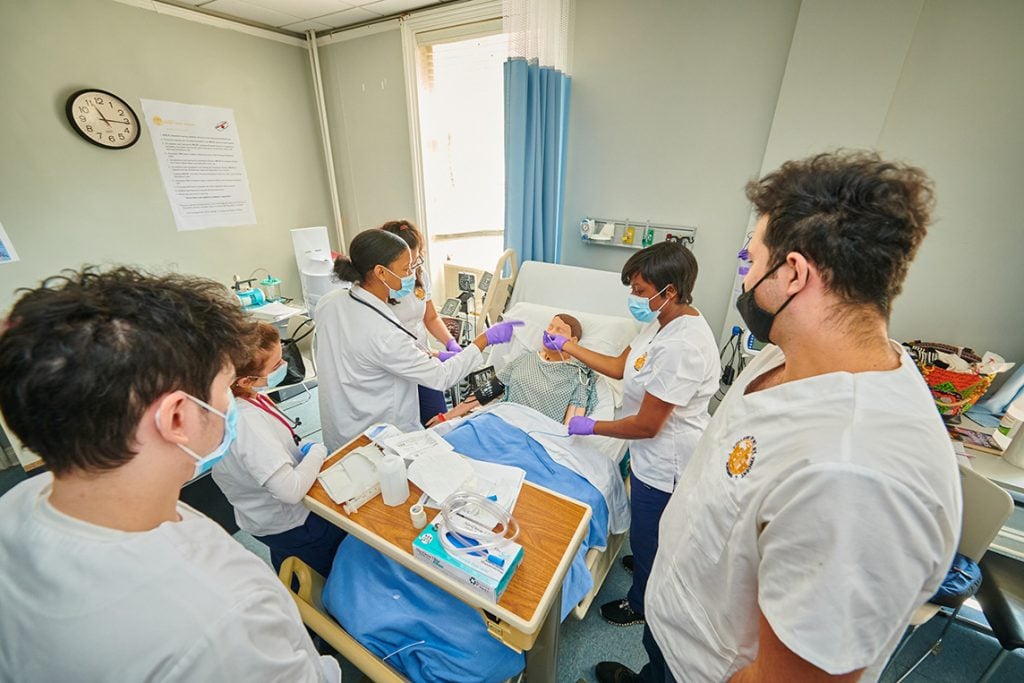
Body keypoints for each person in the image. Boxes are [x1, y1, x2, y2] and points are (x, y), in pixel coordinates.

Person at [597, 151, 962, 683]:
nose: (743, 279)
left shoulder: (853, 475)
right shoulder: (782, 353)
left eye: (749, 261)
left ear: (792, 273)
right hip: (676, 630)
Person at [0, 267, 339, 682]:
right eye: (226, 387)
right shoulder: (226, 620)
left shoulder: (19, 503)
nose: (235, 403)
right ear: (177, 416)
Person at [542, 241, 721, 627]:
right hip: (648, 454)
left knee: (652, 531)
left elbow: (646, 424)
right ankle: (644, 561)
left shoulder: (683, 345)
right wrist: (570, 346)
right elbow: (620, 367)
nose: (633, 298)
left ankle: (640, 605)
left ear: (668, 290)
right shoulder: (659, 321)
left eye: (639, 291)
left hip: (667, 459)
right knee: (647, 531)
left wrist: (593, 425)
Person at [316, 228, 521, 449]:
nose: (412, 275)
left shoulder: (330, 302)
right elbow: (440, 377)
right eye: (406, 269)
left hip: (343, 421)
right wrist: (483, 340)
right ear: (381, 272)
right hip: (376, 432)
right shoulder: (384, 333)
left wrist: (446, 348)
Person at [212, 321, 345, 579]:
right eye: (275, 365)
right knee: (325, 572)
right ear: (245, 379)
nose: (284, 366)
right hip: (293, 523)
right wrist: (317, 451)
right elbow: (289, 490)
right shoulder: (246, 423)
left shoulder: (239, 394)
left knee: (290, 564)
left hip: (263, 517)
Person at [430, 313, 598, 426]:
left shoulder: (578, 375)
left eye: (559, 330)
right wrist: (446, 417)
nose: (550, 332)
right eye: (550, 326)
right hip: (500, 422)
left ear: (573, 341)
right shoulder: (525, 360)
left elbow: (571, 425)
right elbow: (485, 393)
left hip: (538, 437)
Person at [380, 220, 462, 425]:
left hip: (422, 359)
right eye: (407, 264)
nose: (414, 268)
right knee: (401, 425)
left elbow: (431, 317)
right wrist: (435, 355)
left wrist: (451, 343)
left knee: (437, 418)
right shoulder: (377, 289)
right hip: (393, 364)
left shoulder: (420, 276)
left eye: (416, 260)